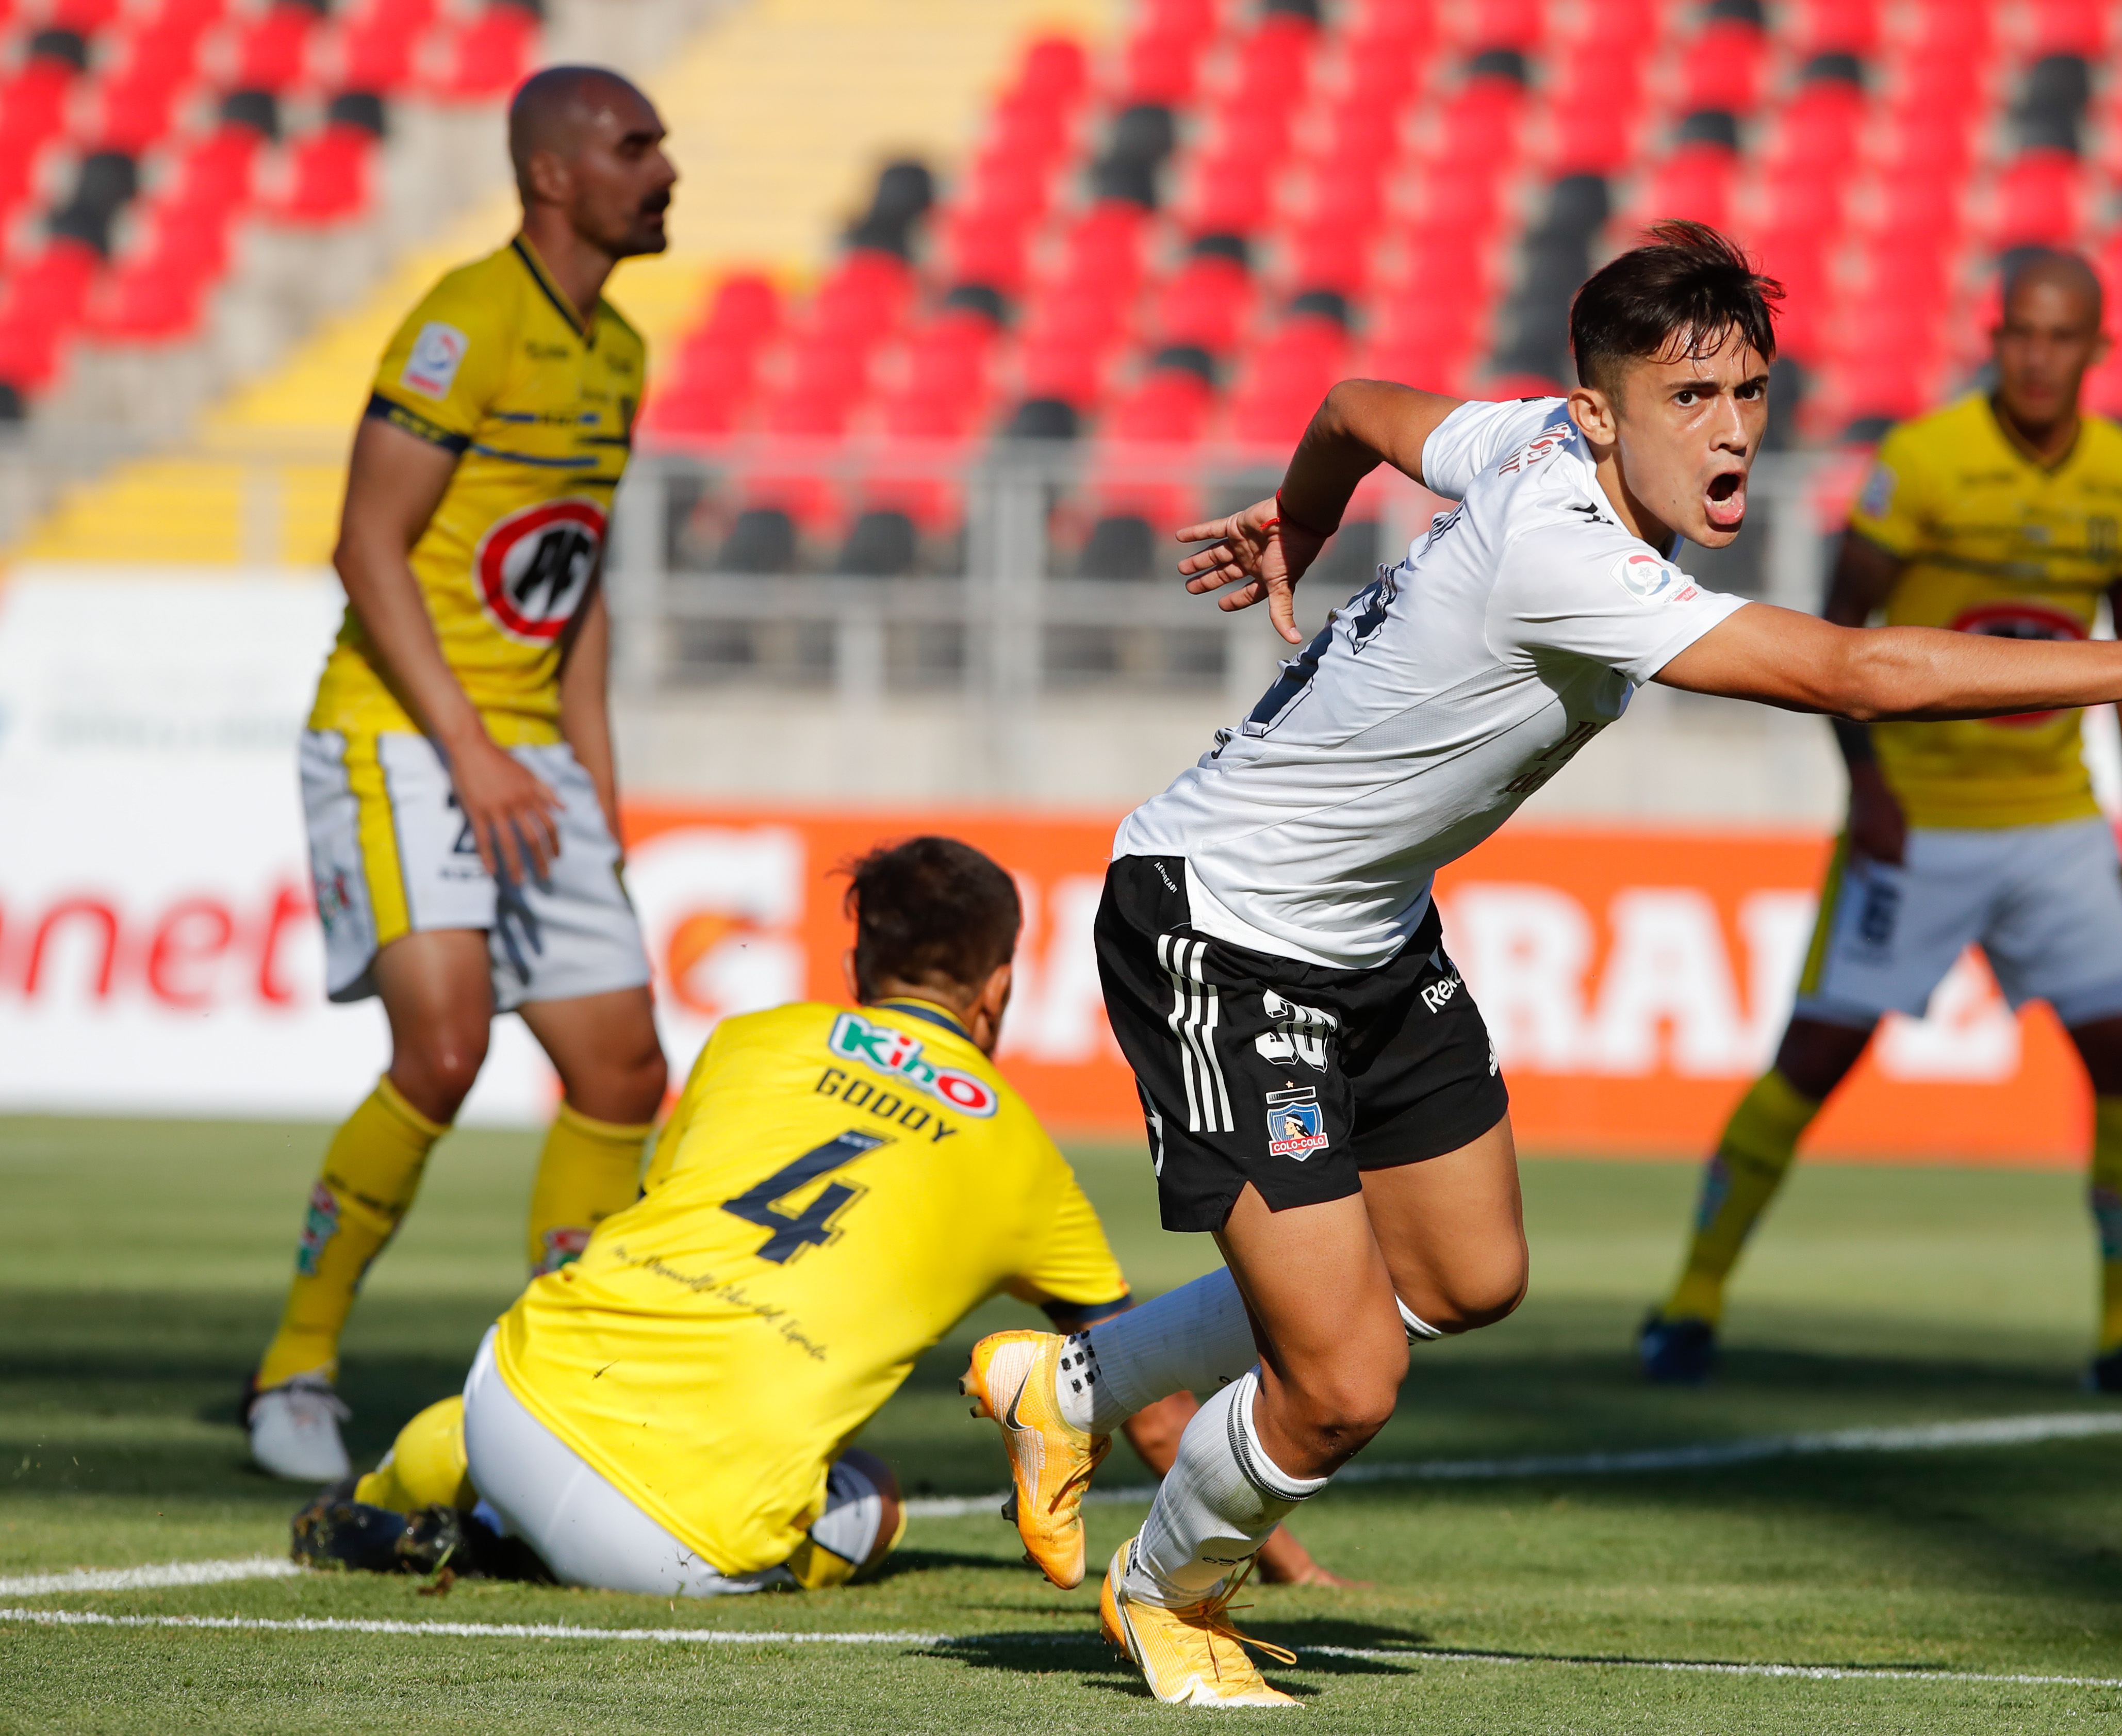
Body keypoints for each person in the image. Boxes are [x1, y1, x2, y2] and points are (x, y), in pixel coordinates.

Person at [1023, 221, 2122, 1708]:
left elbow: (1348, 408)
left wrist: (1302, 525)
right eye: (1692, 399)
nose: (1733, 435)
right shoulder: (1562, 549)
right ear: (1599, 412)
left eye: (1752, 395)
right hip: (1223, 923)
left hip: (1369, 930)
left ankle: (1069, 1382)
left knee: (1467, 1273)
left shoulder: (1526, 435)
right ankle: (1165, 1591)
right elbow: (1860, 671)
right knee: (1341, 1385)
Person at [292, 838, 1340, 1594]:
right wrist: (1282, 1562)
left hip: (510, 1396)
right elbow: (1145, 1408)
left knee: (543, 1396)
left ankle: (401, 1493)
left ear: (856, 971)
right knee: (873, 1495)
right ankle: (517, 1538)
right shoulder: (1025, 1157)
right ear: (1000, 989)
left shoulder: (749, 1039)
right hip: (668, 1541)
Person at [1639, 250, 2122, 1399]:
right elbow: (1838, 634)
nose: (2038, 358)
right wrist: (1871, 787)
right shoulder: (1924, 461)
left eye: (2062, 338)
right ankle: (1689, 1304)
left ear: (2097, 351)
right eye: (2020, 335)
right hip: (1917, 823)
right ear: (1994, 339)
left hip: (2055, 823)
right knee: (1813, 1060)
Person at [245, 67, 678, 1482]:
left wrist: (592, 780)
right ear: (554, 176)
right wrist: (474, 744)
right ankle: (297, 1368)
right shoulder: (462, 322)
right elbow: (369, 550)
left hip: (527, 747)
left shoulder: (617, 350)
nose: (663, 168)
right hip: (398, 729)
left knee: (621, 1070)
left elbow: (579, 579)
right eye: (634, 146)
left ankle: (564, 1384)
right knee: (442, 1048)